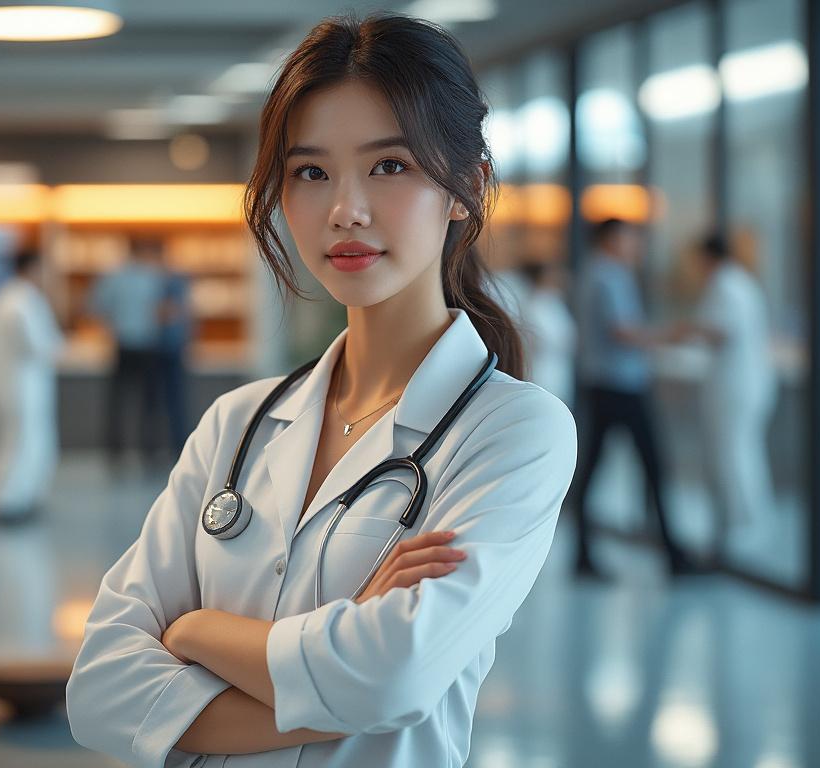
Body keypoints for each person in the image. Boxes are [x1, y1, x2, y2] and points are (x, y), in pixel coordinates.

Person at [67, 15, 577, 768]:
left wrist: (196, 632)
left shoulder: (514, 431)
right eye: (310, 173)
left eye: (389, 166)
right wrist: (339, 673)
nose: (345, 210)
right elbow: (99, 689)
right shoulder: (238, 422)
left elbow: (391, 676)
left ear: (467, 189)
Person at [572, 218, 697, 579]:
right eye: (629, 238)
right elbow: (622, 331)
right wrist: (667, 336)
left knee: (595, 469)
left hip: (606, 384)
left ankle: (585, 554)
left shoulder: (594, 273)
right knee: (652, 466)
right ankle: (672, 555)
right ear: (611, 239)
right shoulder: (608, 275)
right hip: (620, 386)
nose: (635, 245)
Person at [685, 234, 777, 548]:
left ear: (706, 256)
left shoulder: (725, 285)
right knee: (744, 451)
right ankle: (747, 520)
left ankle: (745, 523)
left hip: (736, 385)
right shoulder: (741, 282)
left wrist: (686, 331)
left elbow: (720, 332)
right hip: (746, 382)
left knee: (735, 453)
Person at [0, 249, 63, 522]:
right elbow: (40, 345)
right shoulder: (27, 302)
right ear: (33, 268)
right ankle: (10, 501)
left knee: (2, 442)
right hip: (24, 389)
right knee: (22, 444)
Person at [89, 239, 168, 470]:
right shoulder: (154, 278)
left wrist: (114, 323)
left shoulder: (113, 277)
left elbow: (96, 307)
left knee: (118, 402)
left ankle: (115, 453)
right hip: (147, 345)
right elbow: (162, 311)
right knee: (148, 403)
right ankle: (149, 451)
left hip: (122, 344)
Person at [518, 260, 577, 407]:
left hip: (559, 367)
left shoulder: (555, 301)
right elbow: (540, 340)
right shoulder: (534, 305)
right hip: (543, 369)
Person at [156, 262, 195, 458]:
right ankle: (174, 444)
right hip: (169, 351)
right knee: (173, 401)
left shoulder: (167, 289)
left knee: (168, 402)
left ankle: (172, 444)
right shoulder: (177, 289)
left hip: (166, 351)